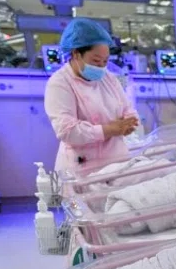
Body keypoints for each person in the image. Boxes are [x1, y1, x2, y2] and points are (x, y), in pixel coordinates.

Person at [44, 18, 139, 172]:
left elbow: (127, 108)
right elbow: (67, 131)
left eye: (105, 61)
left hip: (116, 163)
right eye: (96, 61)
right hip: (82, 167)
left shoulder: (108, 78)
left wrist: (129, 123)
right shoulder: (59, 83)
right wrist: (109, 129)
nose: (101, 67)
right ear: (76, 54)